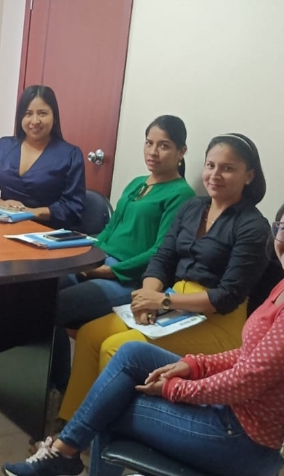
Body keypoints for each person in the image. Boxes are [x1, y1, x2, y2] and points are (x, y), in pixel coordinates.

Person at [3, 189, 284, 476]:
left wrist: (176, 389)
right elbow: (249, 355)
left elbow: (247, 380)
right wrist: (193, 365)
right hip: (236, 414)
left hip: (241, 437)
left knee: (112, 403)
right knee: (131, 353)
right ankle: (64, 453)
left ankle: (63, 453)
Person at [57, 133, 271, 423]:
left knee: (116, 347)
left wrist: (163, 302)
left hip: (216, 321)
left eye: (228, 168)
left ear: (249, 176)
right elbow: (163, 258)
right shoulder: (193, 208)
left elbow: (227, 297)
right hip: (172, 303)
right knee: (90, 334)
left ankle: (99, 432)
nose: (215, 175)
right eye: (210, 165)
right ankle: (69, 422)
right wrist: (148, 297)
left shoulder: (253, 226)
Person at [50, 115, 196, 390]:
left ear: (181, 152)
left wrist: (108, 270)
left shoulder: (182, 194)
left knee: (52, 307)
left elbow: (159, 252)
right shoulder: (138, 183)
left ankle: (60, 386)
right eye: (149, 143)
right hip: (96, 263)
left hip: (128, 279)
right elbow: (109, 230)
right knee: (39, 290)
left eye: (164, 145)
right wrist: (84, 257)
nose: (153, 151)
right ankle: (50, 381)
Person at [0, 85, 86, 230]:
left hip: (46, 232)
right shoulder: (2, 146)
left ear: (54, 117)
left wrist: (31, 212)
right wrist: (1, 204)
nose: (35, 120)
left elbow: (73, 207)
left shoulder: (70, 155)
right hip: (2, 225)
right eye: (28, 113)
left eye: (42, 113)